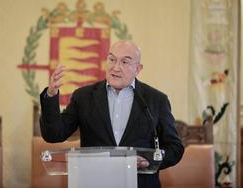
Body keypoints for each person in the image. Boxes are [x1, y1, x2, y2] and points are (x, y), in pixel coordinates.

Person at [40, 40, 184, 188]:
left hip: (140, 182)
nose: (116, 67)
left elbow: (175, 147)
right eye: (112, 59)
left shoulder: (156, 100)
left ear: (138, 69)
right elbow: (53, 134)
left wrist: (150, 161)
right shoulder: (83, 97)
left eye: (125, 62)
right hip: (94, 182)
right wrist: (51, 95)